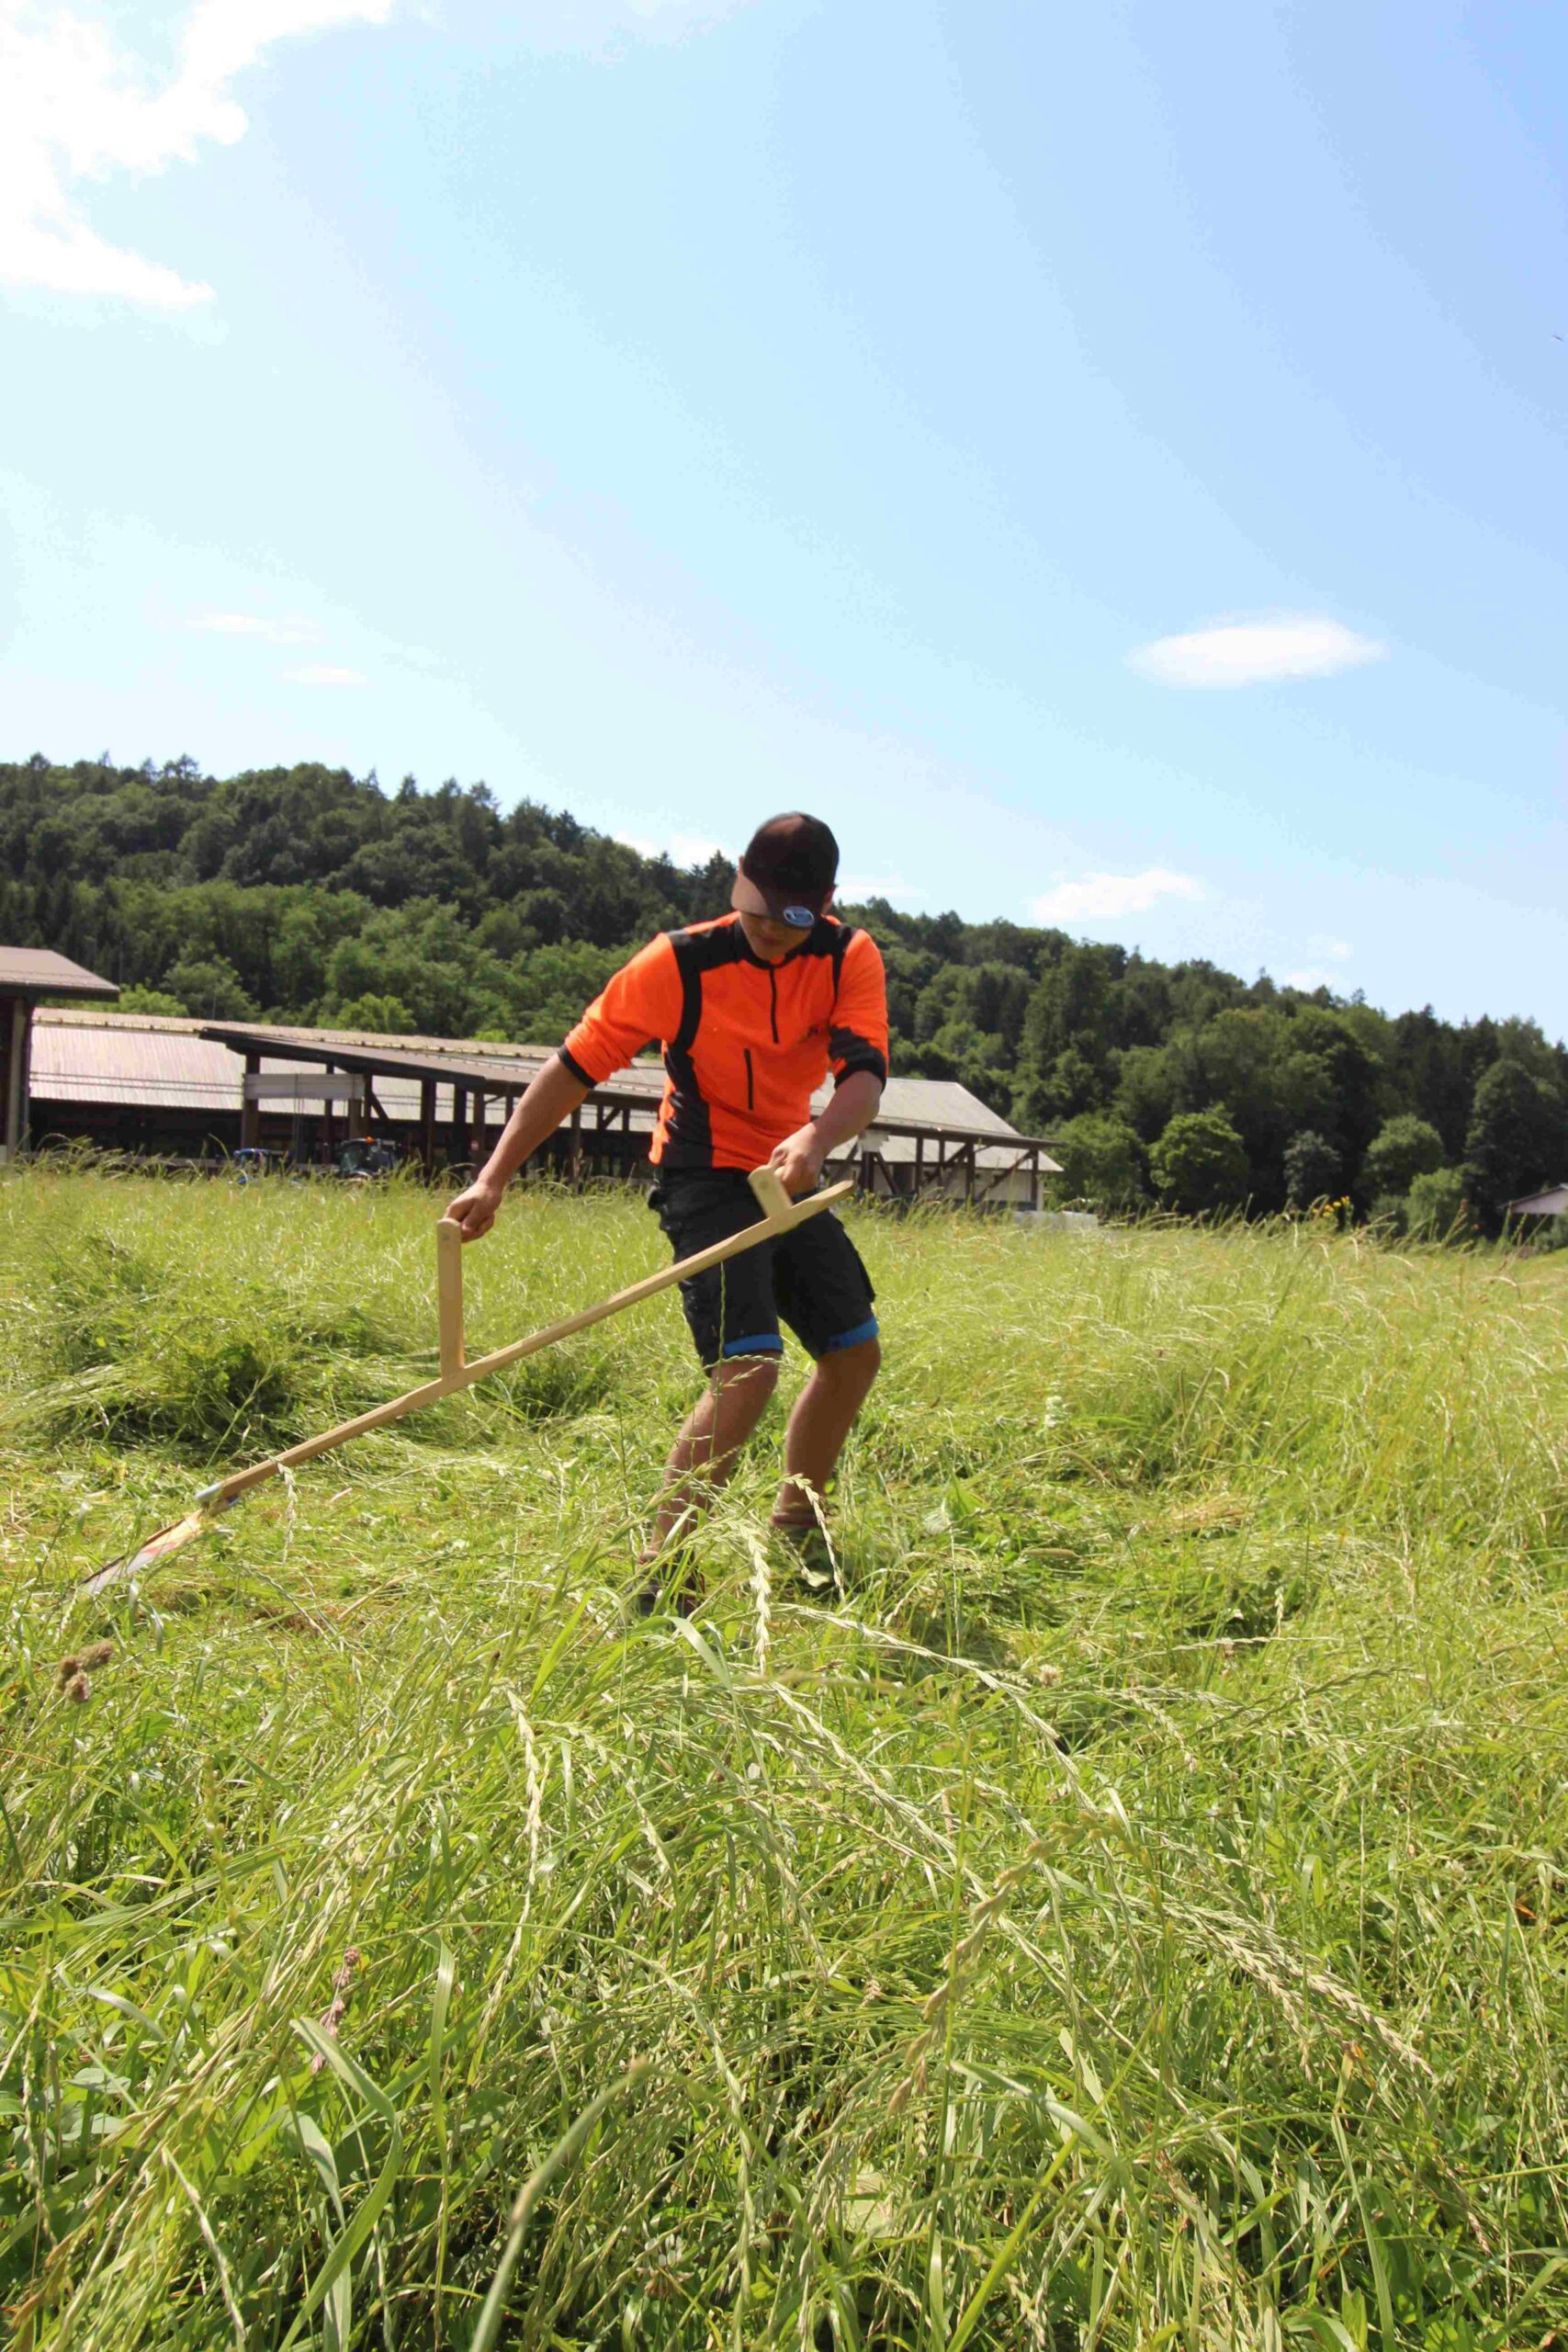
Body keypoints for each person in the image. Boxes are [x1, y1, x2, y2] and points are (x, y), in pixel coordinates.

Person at [446, 812, 888, 1602]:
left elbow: (864, 1073)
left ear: (823, 907)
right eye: (758, 916)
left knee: (852, 1350)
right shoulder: (677, 962)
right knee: (747, 1368)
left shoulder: (847, 954)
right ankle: (664, 1570)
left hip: (790, 1165)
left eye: (794, 923)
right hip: (701, 1173)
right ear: (737, 887)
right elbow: (574, 1065)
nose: (774, 938)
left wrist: (816, 1141)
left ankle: (795, 1528)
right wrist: (494, 1176)